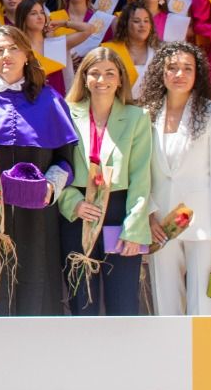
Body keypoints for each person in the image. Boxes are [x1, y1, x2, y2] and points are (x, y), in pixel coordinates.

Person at [0, 27, 77, 316]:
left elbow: (66, 160)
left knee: (36, 282)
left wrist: (50, 186)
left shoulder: (50, 101)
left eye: (12, 48)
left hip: (37, 216)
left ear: (26, 54)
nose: (6, 56)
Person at [139, 41, 211, 316]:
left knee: (204, 303)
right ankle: (171, 357)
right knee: (166, 301)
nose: (179, 74)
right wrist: (150, 214)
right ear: (161, 72)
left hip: (202, 223)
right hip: (162, 225)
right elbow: (142, 170)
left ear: (197, 74)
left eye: (186, 68)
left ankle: (207, 357)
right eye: (172, 68)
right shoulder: (147, 113)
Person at [62, 47, 153, 316]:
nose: (102, 80)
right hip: (79, 212)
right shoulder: (66, 112)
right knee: (82, 300)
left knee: (123, 302)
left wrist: (135, 228)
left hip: (119, 211)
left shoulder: (138, 117)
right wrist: (72, 203)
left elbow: (140, 175)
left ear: (121, 79)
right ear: (84, 78)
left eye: (110, 73)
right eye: (95, 73)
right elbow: (55, 165)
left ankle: (123, 358)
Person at [104, 1, 159, 101]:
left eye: (146, 21)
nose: (142, 25)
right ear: (125, 24)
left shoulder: (158, 53)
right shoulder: (110, 51)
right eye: (136, 21)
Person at [13, 0, 66, 97]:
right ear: (23, 18)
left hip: (58, 100)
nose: (40, 17)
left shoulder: (55, 43)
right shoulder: (17, 48)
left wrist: (64, 23)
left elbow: (88, 30)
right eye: (33, 13)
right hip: (32, 101)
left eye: (42, 12)